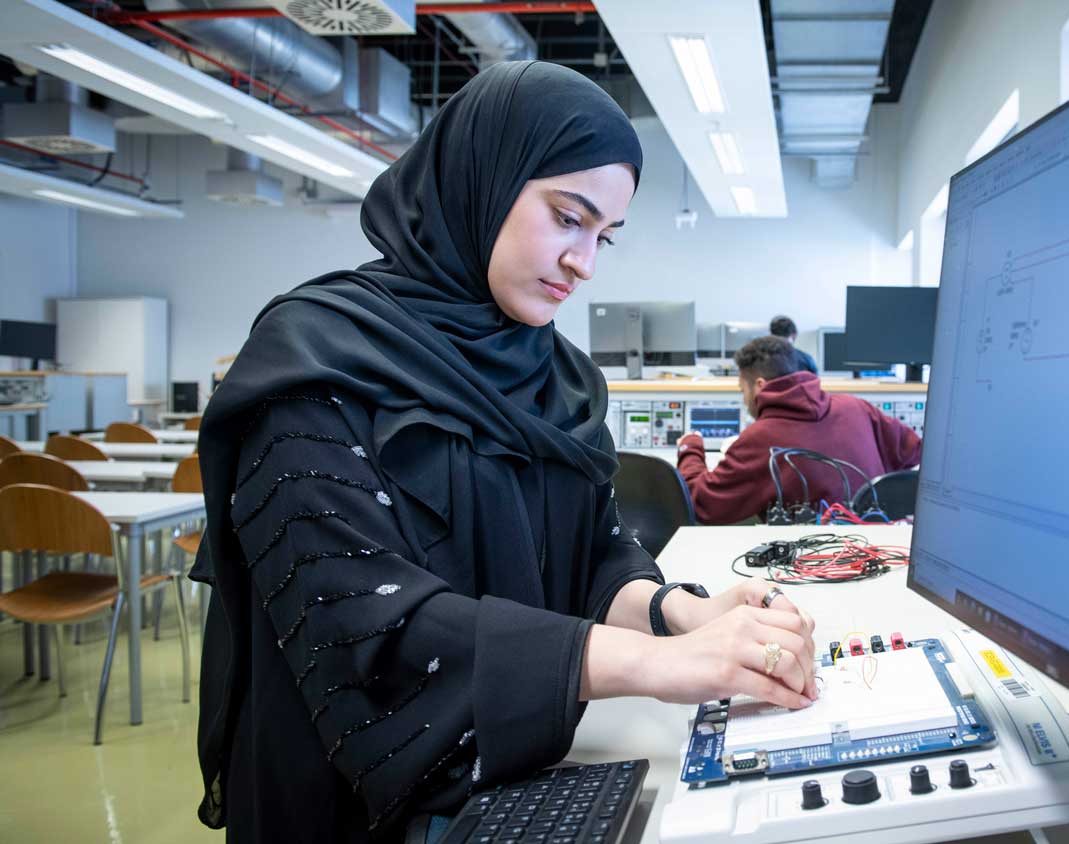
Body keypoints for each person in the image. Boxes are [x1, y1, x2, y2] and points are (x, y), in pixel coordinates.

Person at [191, 62, 818, 844]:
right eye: (567, 217)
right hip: (358, 806)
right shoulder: (313, 364)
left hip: (517, 778)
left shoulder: (552, 375)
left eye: (604, 236)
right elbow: (364, 630)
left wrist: (678, 614)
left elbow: (589, 556)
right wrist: (658, 667)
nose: (583, 262)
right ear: (481, 182)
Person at [677, 336, 921, 524]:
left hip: (805, 564)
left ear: (759, 386)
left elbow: (703, 505)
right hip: (875, 553)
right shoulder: (857, 406)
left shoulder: (760, 437)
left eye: (743, 390)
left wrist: (690, 448)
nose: (743, 399)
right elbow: (915, 453)